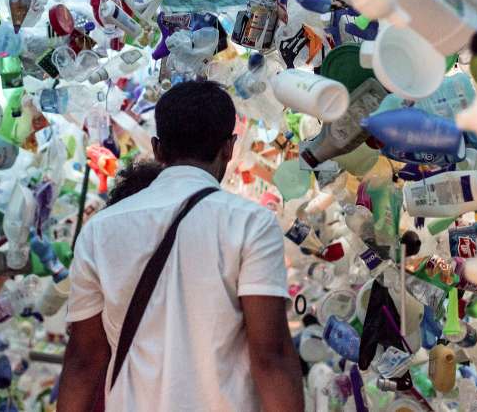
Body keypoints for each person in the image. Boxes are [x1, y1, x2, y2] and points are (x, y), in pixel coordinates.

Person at [59, 80, 304, 412]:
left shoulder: (99, 231)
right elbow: (270, 356)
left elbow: (84, 360)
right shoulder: (250, 223)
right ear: (229, 148)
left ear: (158, 149)